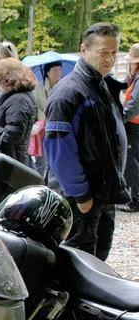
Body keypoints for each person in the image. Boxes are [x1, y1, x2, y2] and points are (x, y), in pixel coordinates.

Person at [44, 22, 129, 261]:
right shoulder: (69, 92)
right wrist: (81, 196)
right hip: (81, 198)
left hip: (102, 192)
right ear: (84, 50)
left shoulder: (101, 84)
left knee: (98, 259)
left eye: (113, 53)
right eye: (103, 52)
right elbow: (59, 151)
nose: (109, 59)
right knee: (79, 263)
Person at [30, 61, 62, 174]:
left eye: (59, 69)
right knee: (42, 162)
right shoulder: (38, 87)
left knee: (56, 160)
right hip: (42, 129)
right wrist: (45, 118)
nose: (58, 72)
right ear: (47, 72)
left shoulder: (63, 86)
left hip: (57, 127)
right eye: (54, 70)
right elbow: (35, 106)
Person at [120, 43, 139, 212]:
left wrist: (120, 118)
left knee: (133, 163)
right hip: (134, 126)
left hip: (134, 127)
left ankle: (136, 201)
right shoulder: (135, 78)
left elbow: (133, 105)